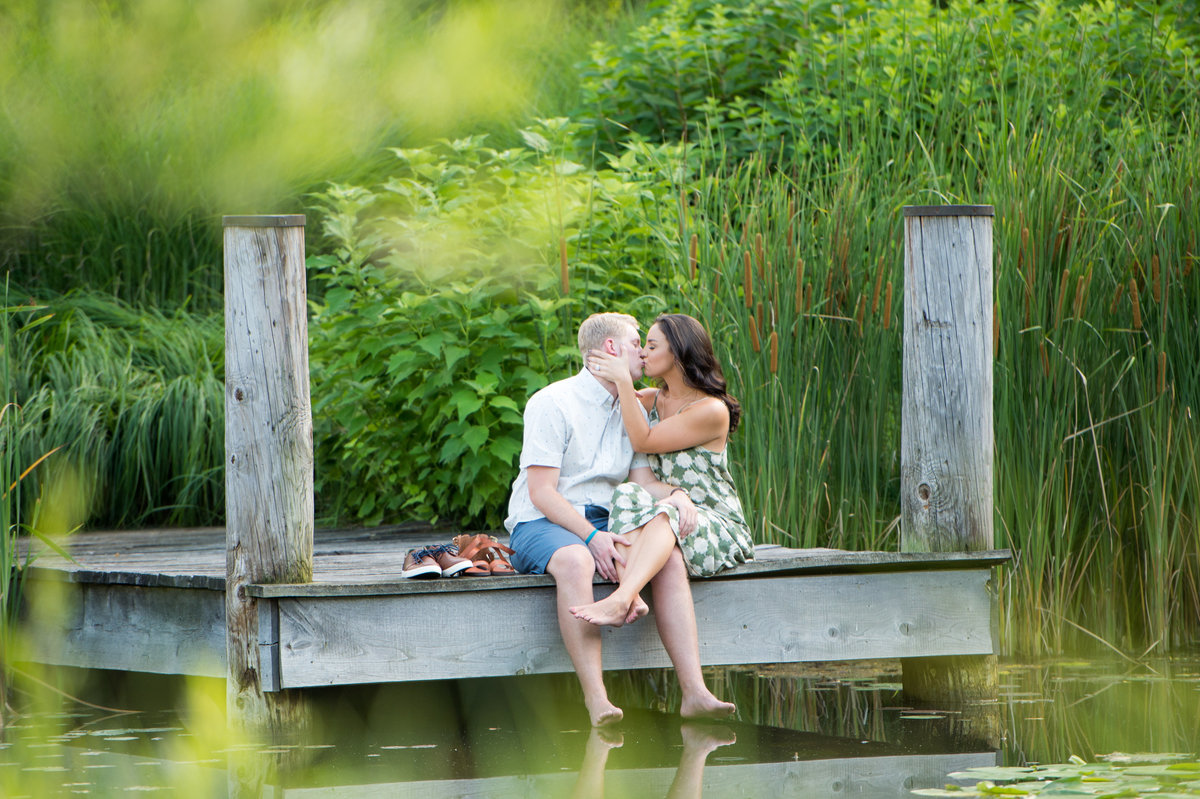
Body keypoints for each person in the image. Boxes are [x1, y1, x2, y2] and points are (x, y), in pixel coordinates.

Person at [505, 312, 736, 727]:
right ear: (611, 349)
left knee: (665, 555)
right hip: (541, 521)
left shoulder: (633, 409)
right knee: (577, 560)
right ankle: (597, 701)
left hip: (606, 519)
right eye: (636, 344)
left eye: (649, 346)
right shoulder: (552, 402)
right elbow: (541, 494)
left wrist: (678, 495)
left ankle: (694, 693)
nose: (643, 356)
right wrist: (593, 536)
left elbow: (641, 481)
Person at [570, 313, 754, 628]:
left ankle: (622, 598)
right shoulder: (653, 401)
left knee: (666, 512)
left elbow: (644, 438)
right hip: (668, 510)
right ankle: (631, 596)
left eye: (652, 346)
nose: (642, 353)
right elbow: (610, 411)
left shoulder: (711, 411)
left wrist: (624, 381)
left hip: (714, 523)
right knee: (627, 492)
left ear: (678, 353)